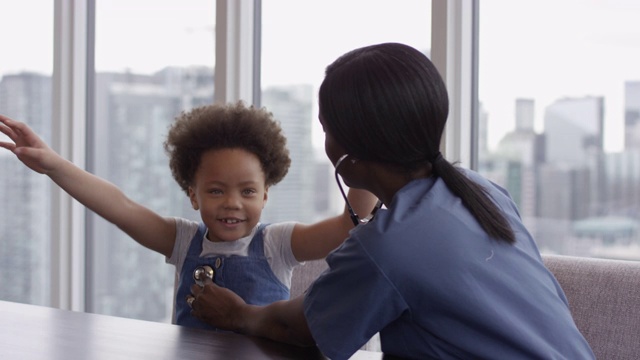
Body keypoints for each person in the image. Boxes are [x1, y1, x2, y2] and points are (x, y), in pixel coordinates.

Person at [185, 43, 596, 359]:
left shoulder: (386, 248)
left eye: (326, 128)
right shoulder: (483, 190)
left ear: (349, 152)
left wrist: (239, 314)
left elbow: (303, 329)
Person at [0, 101, 378, 331]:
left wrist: (370, 143)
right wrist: (53, 165)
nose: (232, 203)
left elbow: (349, 224)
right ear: (192, 195)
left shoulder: (277, 244)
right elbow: (120, 206)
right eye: (216, 190)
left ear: (266, 194)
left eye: (247, 191)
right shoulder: (182, 240)